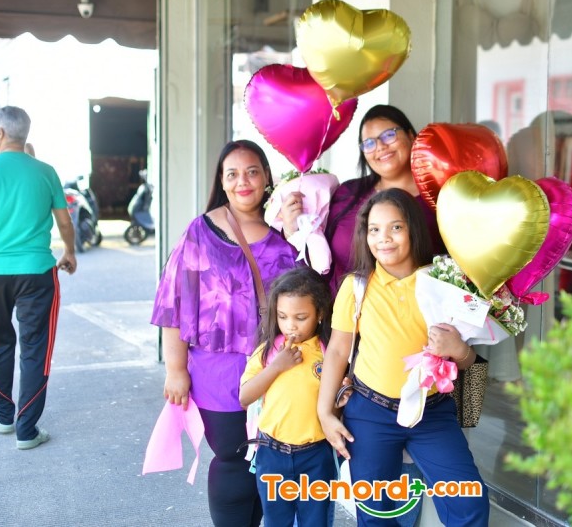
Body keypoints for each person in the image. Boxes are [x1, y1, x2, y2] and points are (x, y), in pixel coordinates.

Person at [317, 189, 489, 526]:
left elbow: (470, 365)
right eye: (374, 229)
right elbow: (337, 350)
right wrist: (325, 412)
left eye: (395, 227)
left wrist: (459, 350)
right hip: (369, 413)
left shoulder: (444, 283)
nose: (384, 238)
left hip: (432, 413)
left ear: (413, 229)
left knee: (469, 502)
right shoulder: (356, 287)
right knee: (375, 513)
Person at [151, 140, 299, 527]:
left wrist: (298, 231)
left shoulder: (285, 232)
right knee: (233, 456)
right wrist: (175, 370)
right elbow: (174, 303)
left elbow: (314, 294)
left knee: (268, 459)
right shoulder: (202, 232)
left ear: (266, 177)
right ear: (221, 181)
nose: (242, 181)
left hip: (280, 367)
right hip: (218, 371)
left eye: (252, 172)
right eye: (232, 174)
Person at [0, 106, 77, 450]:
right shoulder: (45, 171)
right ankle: (26, 430)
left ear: (1, 133)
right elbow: (64, 222)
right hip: (37, 272)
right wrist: (69, 252)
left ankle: (4, 416)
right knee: (35, 348)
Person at [280, 104, 444, 296]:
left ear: (411, 135)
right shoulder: (347, 194)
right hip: (341, 310)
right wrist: (292, 230)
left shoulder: (439, 198)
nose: (380, 147)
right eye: (369, 143)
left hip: (410, 309)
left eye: (389, 135)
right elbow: (316, 255)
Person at [239, 267, 335, 527]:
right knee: (275, 522)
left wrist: (343, 395)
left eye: (301, 317)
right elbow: (245, 397)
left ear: (320, 314)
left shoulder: (328, 353)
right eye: (282, 316)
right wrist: (276, 367)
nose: (290, 325)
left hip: (316, 456)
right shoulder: (268, 351)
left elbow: (334, 404)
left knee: (315, 522)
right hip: (272, 454)